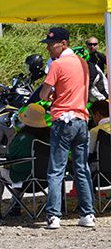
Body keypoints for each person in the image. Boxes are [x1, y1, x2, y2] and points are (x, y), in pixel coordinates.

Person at [39, 27, 96, 229]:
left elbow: (43, 95)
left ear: (63, 44)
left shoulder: (57, 64)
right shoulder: (82, 63)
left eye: (50, 44)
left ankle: (54, 216)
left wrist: (52, 94)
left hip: (62, 119)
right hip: (81, 118)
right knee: (82, 169)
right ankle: (87, 214)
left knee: (56, 170)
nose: (48, 48)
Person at [0, 104, 50, 219]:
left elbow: (9, 155)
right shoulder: (49, 136)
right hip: (45, 180)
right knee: (19, 168)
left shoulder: (22, 137)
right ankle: (14, 205)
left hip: (25, 181)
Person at [88, 100, 110, 173]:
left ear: (97, 115)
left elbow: (89, 152)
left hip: (102, 171)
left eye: (92, 115)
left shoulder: (95, 131)